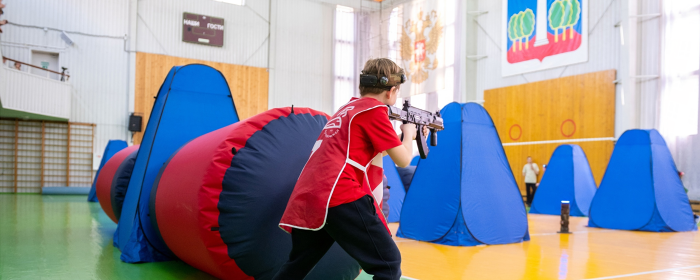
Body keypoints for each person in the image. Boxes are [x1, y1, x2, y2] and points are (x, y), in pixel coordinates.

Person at [275, 58, 421, 280]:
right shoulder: (375, 110)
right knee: (388, 264)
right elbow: (403, 160)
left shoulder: (347, 110)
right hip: (339, 191)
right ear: (391, 92)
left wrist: (400, 138)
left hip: (311, 195)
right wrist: (409, 134)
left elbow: (369, 150)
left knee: (297, 265)